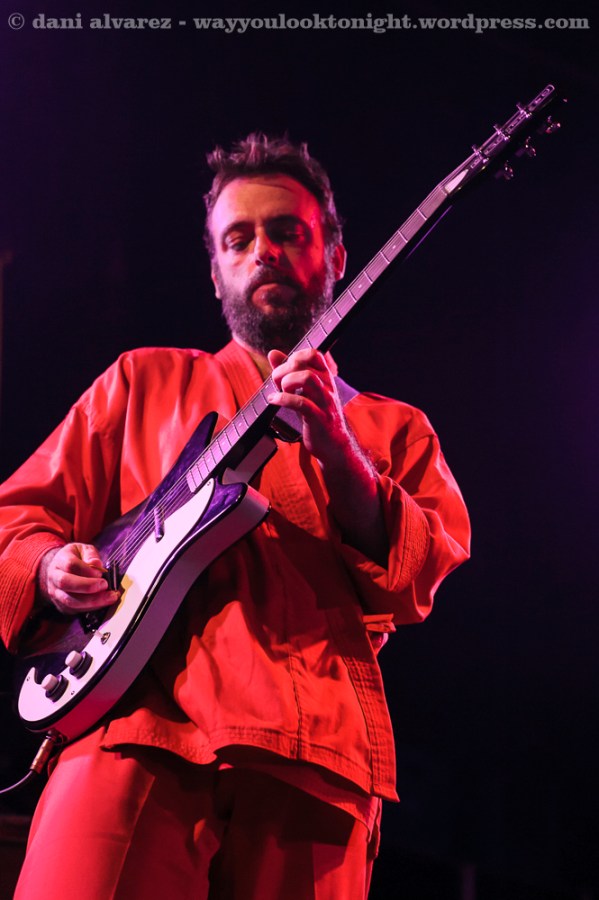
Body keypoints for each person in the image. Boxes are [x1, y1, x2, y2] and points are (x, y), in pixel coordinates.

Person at [0, 134, 470, 899]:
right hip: (132, 730)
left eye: (289, 232)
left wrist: (339, 451)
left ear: (336, 256)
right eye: (238, 239)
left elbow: (417, 574)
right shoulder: (140, 382)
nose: (264, 253)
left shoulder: (394, 429)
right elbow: (14, 521)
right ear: (215, 271)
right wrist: (51, 566)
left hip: (315, 764)